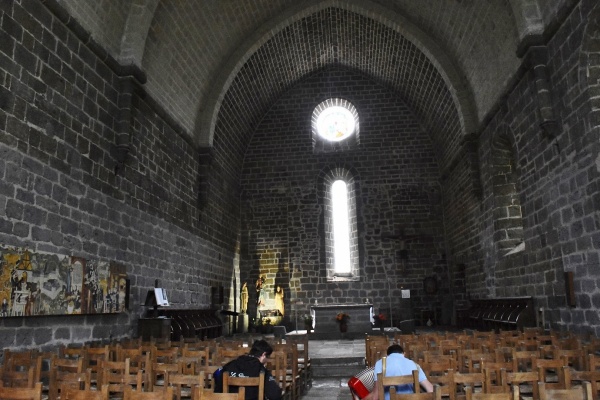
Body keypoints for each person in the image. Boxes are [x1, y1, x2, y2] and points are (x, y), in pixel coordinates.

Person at [214, 339, 283, 400]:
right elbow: (275, 395)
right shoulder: (261, 370)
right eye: (267, 357)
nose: (267, 360)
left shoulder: (232, 364)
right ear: (263, 355)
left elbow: (216, 374)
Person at [366, 344, 433, 400]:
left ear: (387, 355)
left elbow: (375, 397)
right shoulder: (413, 364)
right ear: (404, 354)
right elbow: (430, 389)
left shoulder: (380, 363)